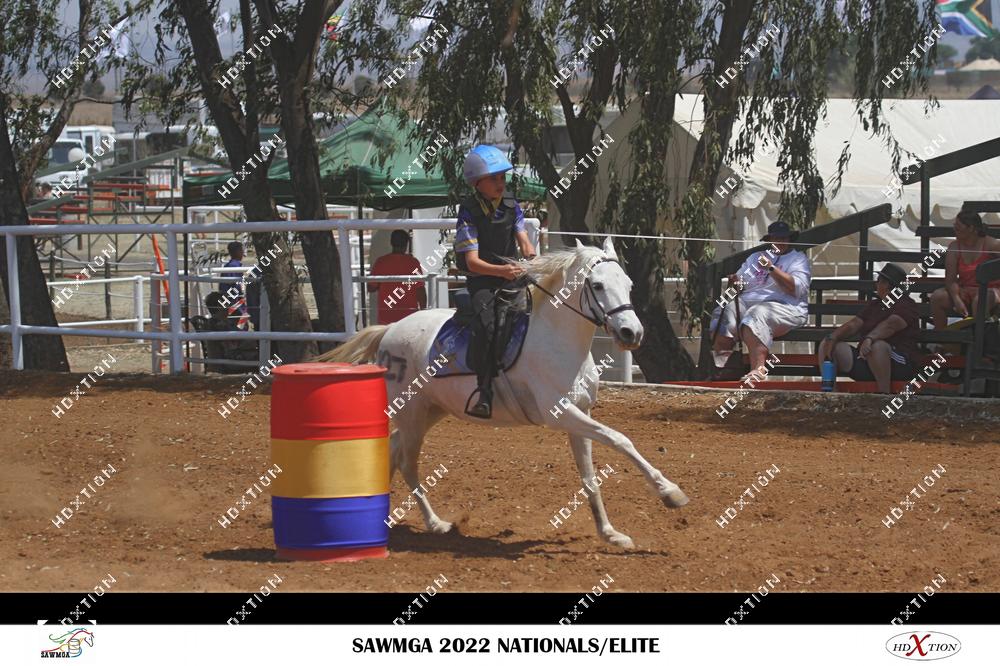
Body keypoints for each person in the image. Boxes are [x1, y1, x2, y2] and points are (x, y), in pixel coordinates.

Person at [455, 145, 536, 419]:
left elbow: (524, 242)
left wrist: (532, 258)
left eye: (502, 177)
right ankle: (484, 391)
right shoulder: (468, 212)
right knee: (488, 327)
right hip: (483, 283)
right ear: (477, 182)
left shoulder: (512, 205)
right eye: (494, 178)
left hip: (511, 276)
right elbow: (472, 263)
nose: (500, 183)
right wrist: (502, 272)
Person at [710, 221, 811, 375]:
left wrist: (771, 268)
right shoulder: (755, 257)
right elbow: (739, 286)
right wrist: (735, 282)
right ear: (769, 240)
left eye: (784, 238)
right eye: (776, 238)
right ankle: (724, 368)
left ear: (789, 239)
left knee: (757, 314)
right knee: (722, 313)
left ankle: (757, 370)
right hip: (747, 302)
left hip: (786, 307)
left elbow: (796, 288)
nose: (780, 242)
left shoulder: (798, 259)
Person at [817, 263, 919, 393]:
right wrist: (833, 337)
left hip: (899, 364)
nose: (876, 284)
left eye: (879, 281)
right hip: (866, 359)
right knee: (827, 343)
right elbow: (854, 324)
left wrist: (870, 338)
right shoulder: (875, 305)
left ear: (887, 284)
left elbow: (892, 324)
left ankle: (883, 395)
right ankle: (830, 393)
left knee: (877, 346)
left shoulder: (906, 304)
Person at [930, 210, 1000, 329]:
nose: (955, 230)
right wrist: (957, 300)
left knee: (980, 300)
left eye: (958, 227)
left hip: (990, 290)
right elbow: (950, 279)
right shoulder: (954, 247)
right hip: (965, 290)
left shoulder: (991, 244)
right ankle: (942, 337)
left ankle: (980, 337)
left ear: (971, 228)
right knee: (937, 297)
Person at [368, 229, 427, 324]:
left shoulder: (381, 262)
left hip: (386, 317)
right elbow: (420, 290)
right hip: (409, 317)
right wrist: (423, 312)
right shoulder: (413, 262)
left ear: (391, 243)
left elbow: (371, 288)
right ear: (407, 244)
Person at [203, 291, 257, 373]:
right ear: (219, 306)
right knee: (264, 357)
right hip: (228, 361)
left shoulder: (222, 322)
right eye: (226, 303)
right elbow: (231, 346)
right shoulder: (217, 325)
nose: (229, 306)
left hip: (231, 357)